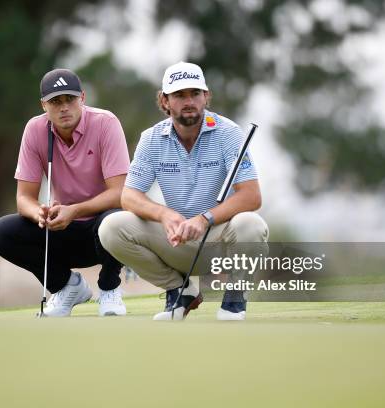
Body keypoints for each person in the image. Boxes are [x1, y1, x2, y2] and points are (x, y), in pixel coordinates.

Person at [99, 62, 269, 321]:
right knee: (111, 227)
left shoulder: (229, 133)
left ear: (206, 96)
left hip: (219, 240)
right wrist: (165, 215)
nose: (189, 101)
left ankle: (235, 297)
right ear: (164, 100)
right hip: (177, 239)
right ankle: (180, 289)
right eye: (179, 95)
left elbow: (251, 196)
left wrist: (205, 219)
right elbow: (128, 196)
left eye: (195, 93)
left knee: (251, 225)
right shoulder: (152, 138)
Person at [0, 68, 130, 317]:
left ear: (82, 98)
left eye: (69, 99)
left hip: (104, 232)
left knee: (116, 217)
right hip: (62, 229)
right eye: (55, 101)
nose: (64, 107)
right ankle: (66, 286)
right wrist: (39, 213)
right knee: (2, 232)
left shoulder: (106, 123)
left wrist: (74, 210)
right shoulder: (35, 130)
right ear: (44, 105)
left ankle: (109, 287)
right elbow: (24, 198)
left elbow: (120, 193)